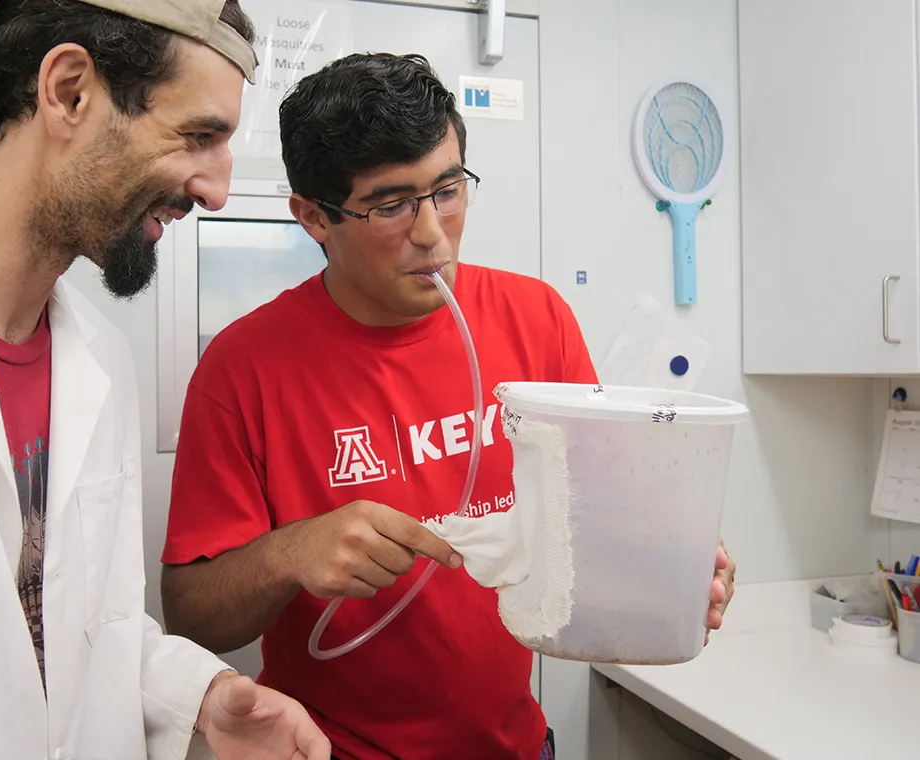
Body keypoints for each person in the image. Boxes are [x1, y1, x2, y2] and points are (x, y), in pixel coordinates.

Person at [0, 1, 332, 759]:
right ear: (68, 91)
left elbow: (57, 620)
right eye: (199, 136)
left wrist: (192, 694)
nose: (216, 191)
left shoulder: (97, 357)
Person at [160, 52, 737, 760]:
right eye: (391, 204)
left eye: (449, 189)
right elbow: (191, 615)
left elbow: (602, 524)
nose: (433, 232)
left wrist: (673, 569)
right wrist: (288, 555)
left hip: (517, 746)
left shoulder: (538, 319)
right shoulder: (242, 370)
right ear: (313, 217)